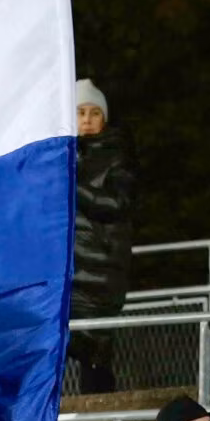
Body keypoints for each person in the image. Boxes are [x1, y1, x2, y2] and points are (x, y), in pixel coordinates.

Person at [68, 79, 134, 394]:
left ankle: (100, 413)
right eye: (80, 112)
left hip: (99, 269)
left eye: (95, 113)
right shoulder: (59, 156)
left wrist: (74, 184)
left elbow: (117, 204)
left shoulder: (116, 156)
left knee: (94, 353)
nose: (87, 120)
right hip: (68, 269)